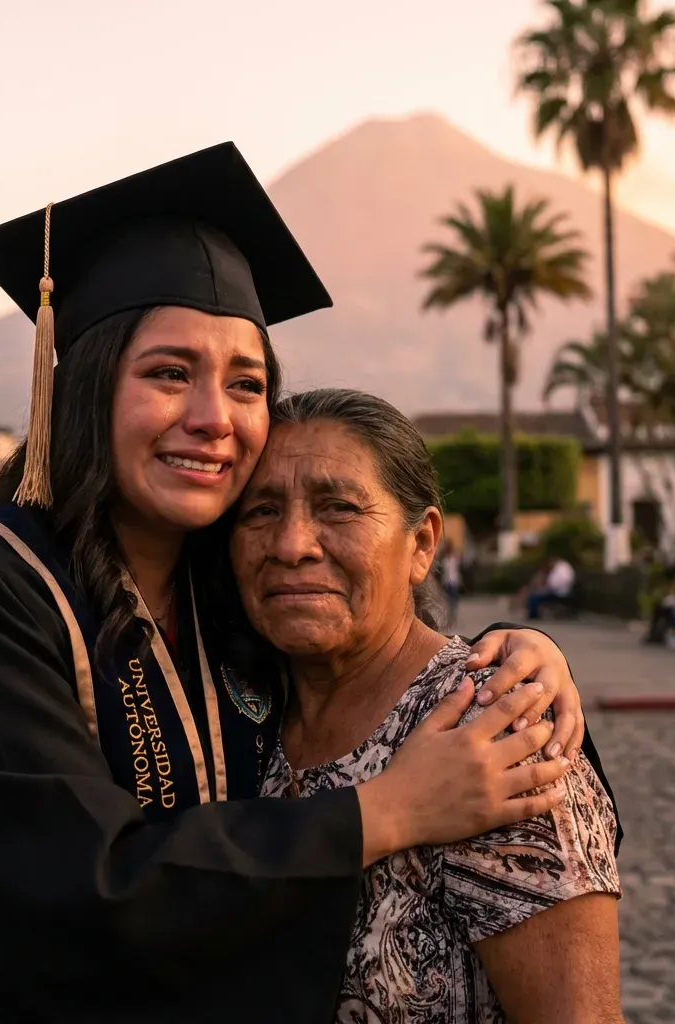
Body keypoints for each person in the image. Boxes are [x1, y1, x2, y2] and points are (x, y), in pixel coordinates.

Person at [0, 144, 609, 1024]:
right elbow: (72, 897)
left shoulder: (226, 594)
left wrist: (523, 658)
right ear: (85, 385)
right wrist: (386, 810)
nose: (212, 419)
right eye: (168, 373)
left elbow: (370, 650)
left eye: (246, 382)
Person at [235, 390, 622, 1022]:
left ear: (421, 545)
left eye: (339, 508)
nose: (293, 543)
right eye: (260, 511)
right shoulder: (239, 715)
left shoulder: (495, 728)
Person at [526, 554, 576, 620]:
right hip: (556, 591)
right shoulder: (559, 567)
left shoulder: (562, 568)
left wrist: (549, 587)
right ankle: (533, 613)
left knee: (534, 597)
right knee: (534, 595)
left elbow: (559, 582)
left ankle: (534, 615)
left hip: (559, 593)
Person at [439, 538, 462, 624]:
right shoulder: (444, 558)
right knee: (447, 600)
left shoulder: (454, 557)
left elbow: (460, 557)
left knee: (454, 600)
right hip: (446, 581)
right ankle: (450, 615)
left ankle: (453, 615)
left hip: (453, 581)